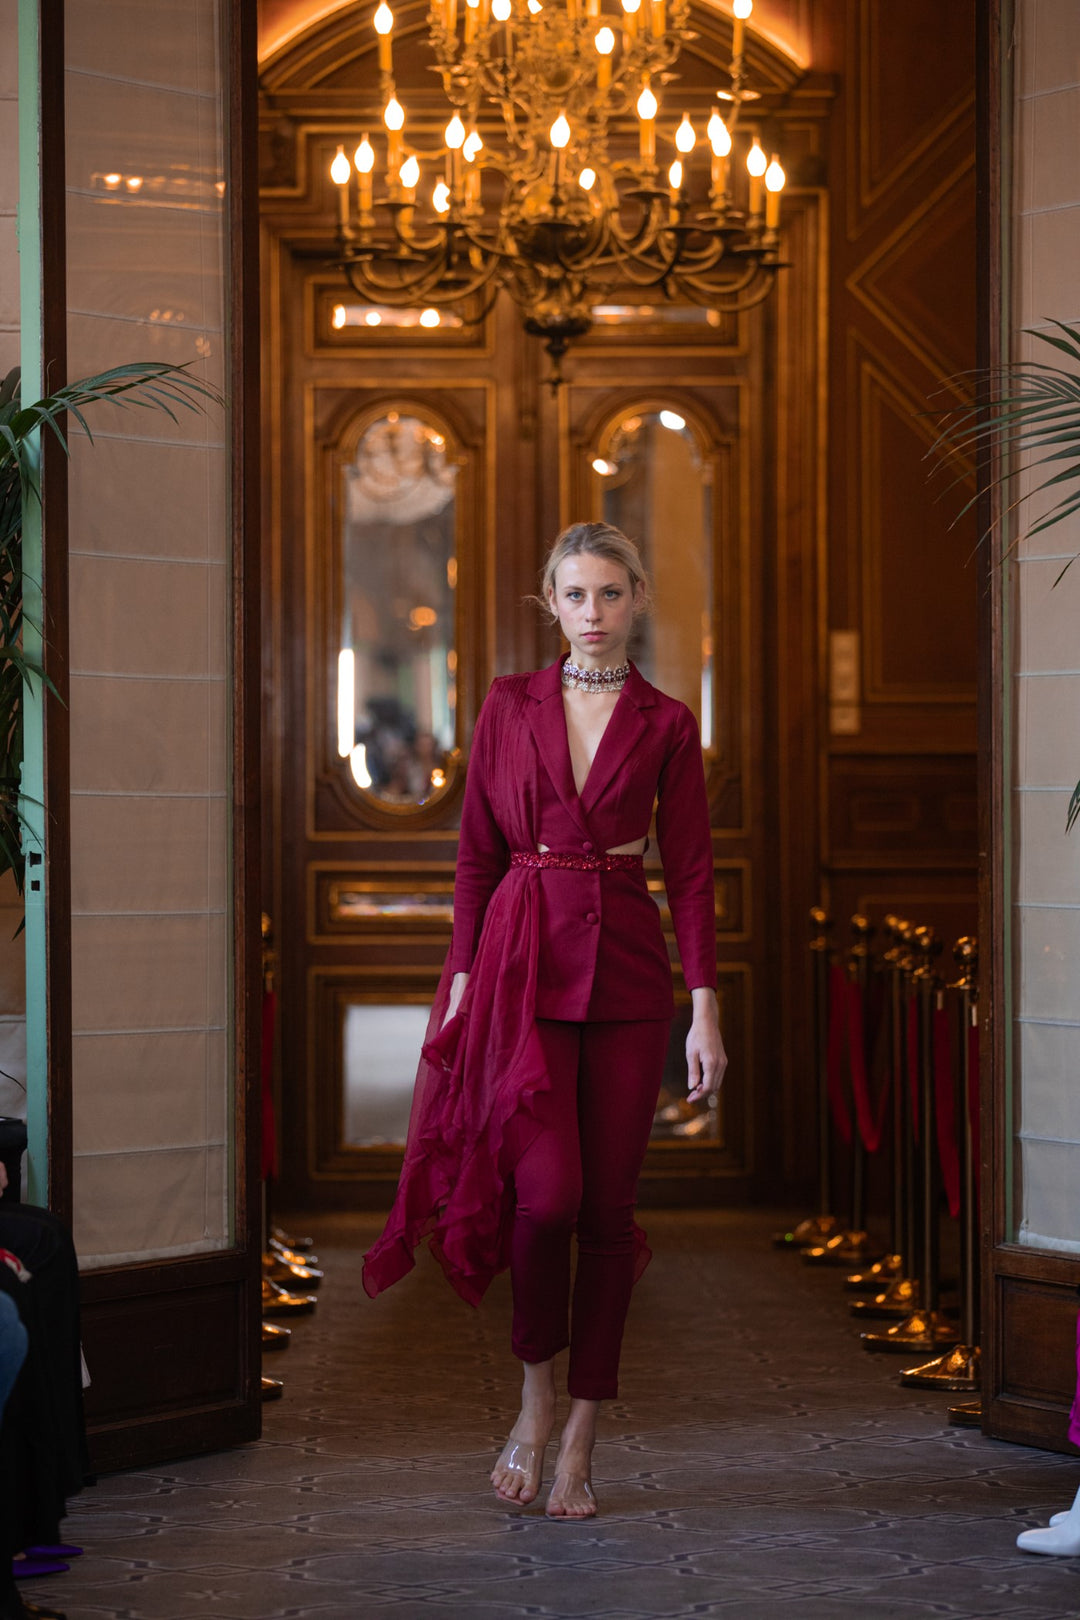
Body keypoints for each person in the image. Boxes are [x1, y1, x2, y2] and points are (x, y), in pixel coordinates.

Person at [363, 521, 726, 1517]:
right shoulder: (507, 705)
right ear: (551, 604)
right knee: (547, 1199)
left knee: (607, 1215)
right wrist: (464, 977)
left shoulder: (665, 722)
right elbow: (476, 853)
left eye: (611, 594)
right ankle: (533, 1397)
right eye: (576, 596)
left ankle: (582, 1431)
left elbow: (690, 874)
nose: (594, 614)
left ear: (636, 598)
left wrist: (705, 1010)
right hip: (521, 968)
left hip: (624, 976)